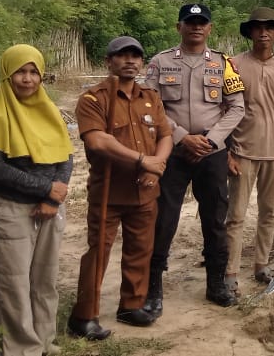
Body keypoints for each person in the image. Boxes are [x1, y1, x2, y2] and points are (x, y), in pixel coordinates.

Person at [0, 44, 73, 356]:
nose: (27, 79)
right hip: (10, 209)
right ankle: (22, 349)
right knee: (13, 285)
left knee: (45, 279)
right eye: (19, 72)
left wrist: (55, 196)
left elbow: (66, 156)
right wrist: (46, 190)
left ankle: (45, 341)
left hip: (50, 208)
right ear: (6, 75)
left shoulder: (47, 109)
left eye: (33, 72)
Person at [143, 3, 246, 316]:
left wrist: (211, 140)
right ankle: (152, 289)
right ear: (179, 27)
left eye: (202, 23)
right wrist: (180, 137)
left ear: (210, 28)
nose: (196, 27)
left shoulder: (222, 63)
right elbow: (150, 106)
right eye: (190, 22)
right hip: (172, 152)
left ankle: (216, 285)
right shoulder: (160, 62)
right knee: (163, 219)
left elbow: (237, 108)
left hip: (211, 152)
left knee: (215, 218)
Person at [68, 36, 173, 340]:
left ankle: (131, 305)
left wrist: (157, 165)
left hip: (145, 190)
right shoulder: (93, 99)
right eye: (122, 55)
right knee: (98, 253)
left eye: (135, 56)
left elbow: (165, 135)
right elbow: (97, 141)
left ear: (142, 62)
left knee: (141, 250)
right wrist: (143, 161)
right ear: (108, 61)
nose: (130, 61)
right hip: (109, 193)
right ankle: (83, 316)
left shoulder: (151, 97)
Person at [225, 8, 274, 291]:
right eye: (257, 27)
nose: (263, 32)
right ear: (250, 33)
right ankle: (230, 271)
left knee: (268, 213)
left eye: (269, 28)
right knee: (236, 215)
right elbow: (223, 110)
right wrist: (227, 152)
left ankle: (261, 264)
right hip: (242, 150)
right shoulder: (232, 65)